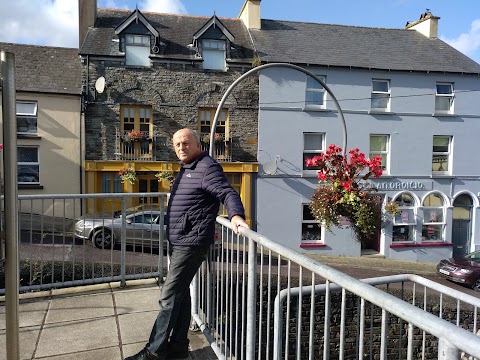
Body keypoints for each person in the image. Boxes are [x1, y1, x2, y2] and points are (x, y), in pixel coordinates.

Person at [126, 128, 249, 360]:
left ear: (197, 145)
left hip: (191, 243)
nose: (181, 147)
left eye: (185, 143)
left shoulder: (206, 166)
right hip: (180, 239)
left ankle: (154, 351)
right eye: (177, 145)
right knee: (181, 294)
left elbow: (227, 192)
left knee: (168, 295)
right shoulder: (187, 169)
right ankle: (179, 346)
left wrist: (235, 216)